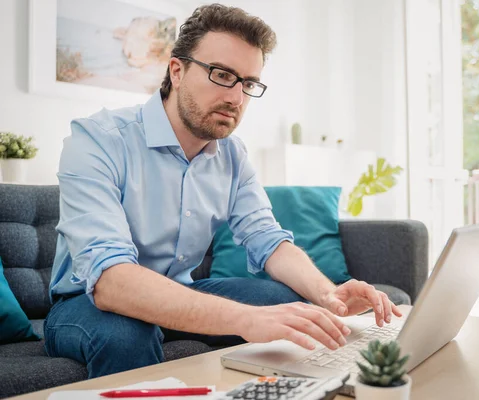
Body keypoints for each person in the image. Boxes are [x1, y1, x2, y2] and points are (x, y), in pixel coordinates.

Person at [45, 3, 402, 378]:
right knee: (125, 333)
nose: (236, 98)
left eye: (248, 83)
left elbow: (267, 240)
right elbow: (111, 283)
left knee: (287, 303)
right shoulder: (97, 141)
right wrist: (246, 319)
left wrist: (328, 295)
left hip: (181, 290)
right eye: (222, 75)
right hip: (84, 304)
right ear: (177, 70)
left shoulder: (233, 155)